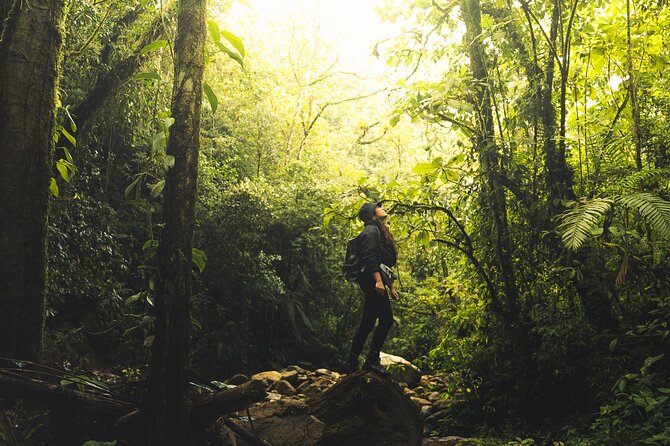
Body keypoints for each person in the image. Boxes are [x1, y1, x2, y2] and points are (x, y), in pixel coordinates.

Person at [341, 201, 399, 375]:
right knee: (386, 319)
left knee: (367, 323)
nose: (383, 208)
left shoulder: (377, 230)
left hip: (374, 281)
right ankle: (372, 361)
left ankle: (350, 363)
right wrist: (378, 282)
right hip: (372, 281)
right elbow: (370, 257)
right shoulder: (371, 231)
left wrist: (390, 287)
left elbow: (382, 263)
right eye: (378, 207)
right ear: (372, 214)